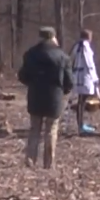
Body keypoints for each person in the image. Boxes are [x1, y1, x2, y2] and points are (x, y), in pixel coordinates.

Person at [17, 27, 73, 169]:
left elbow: (22, 76)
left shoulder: (30, 55)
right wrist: (64, 90)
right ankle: (49, 164)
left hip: (35, 96)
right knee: (51, 130)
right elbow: (69, 81)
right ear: (54, 37)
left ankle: (30, 160)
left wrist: (32, 84)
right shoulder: (63, 56)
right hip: (54, 98)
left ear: (40, 37)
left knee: (34, 129)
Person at [69, 30, 100, 134]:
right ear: (88, 37)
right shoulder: (85, 47)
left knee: (81, 101)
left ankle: (81, 124)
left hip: (77, 77)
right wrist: (95, 79)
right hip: (85, 77)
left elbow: (71, 59)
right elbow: (90, 64)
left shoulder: (76, 46)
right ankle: (81, 126)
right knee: (82, 102)